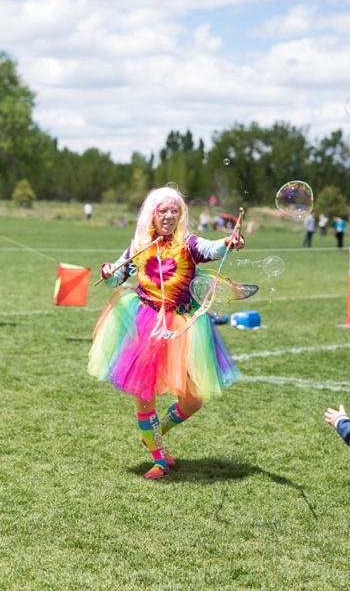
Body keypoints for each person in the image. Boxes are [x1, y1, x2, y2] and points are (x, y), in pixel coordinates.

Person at [89, 185, 245, 479]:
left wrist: (229, 241)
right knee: (143, 394)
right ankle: (159, 458)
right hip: (145, 323)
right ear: (152, 214)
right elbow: (116, 278)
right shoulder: (138, 246)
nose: (170, 216)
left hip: (182, 326)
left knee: (193, 400)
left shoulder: (187, 244)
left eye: (176, 211)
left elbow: (211, 249)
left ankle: (155, 432)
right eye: (163, 211)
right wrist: (108, 271)